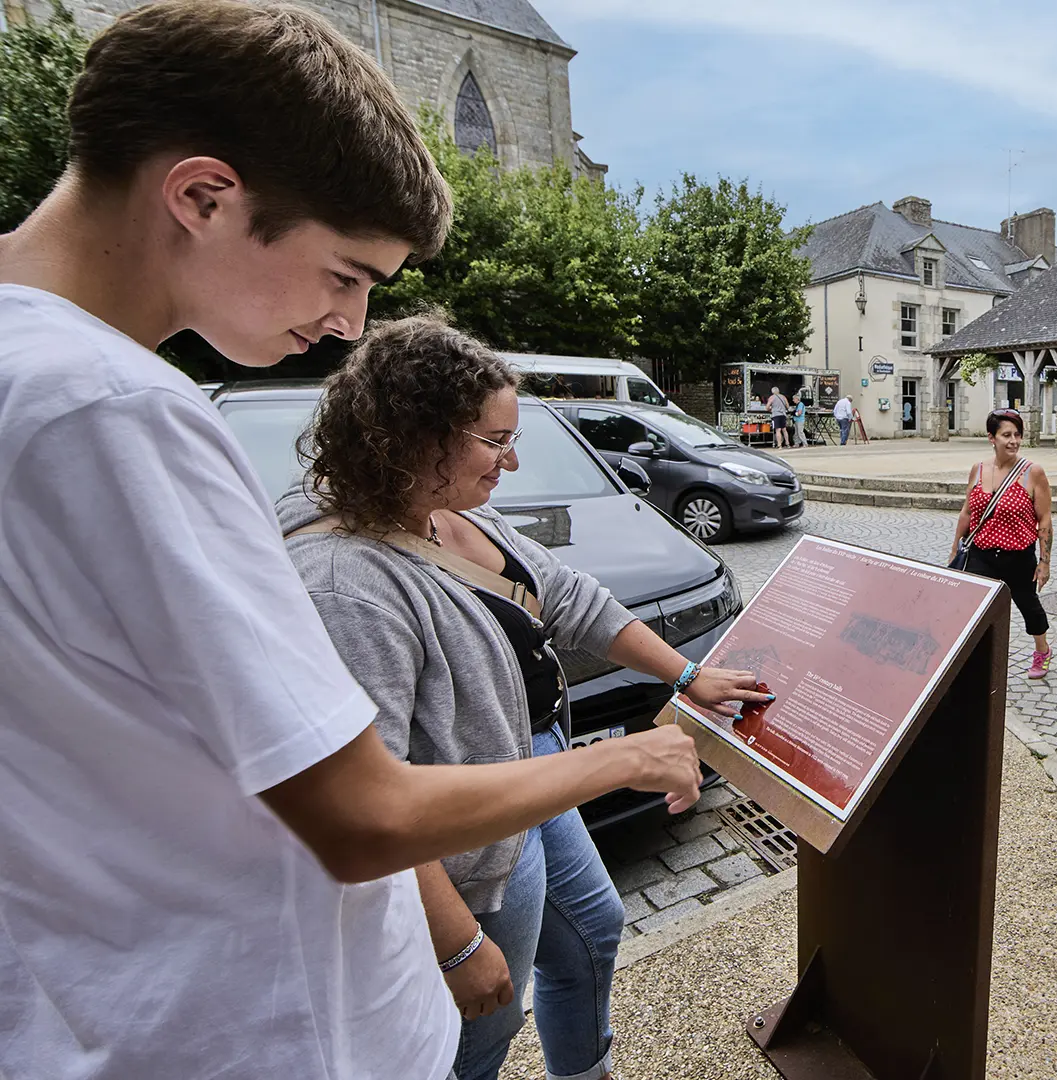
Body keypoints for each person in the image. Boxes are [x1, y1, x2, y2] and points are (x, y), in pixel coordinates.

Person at [0, 5, 764, 1077]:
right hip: (264, 1033)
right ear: (204, 196)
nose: (350, 323)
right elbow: (362, 812)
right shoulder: (115, 407)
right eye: (346, 273)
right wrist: (628, 755)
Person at [282, 318, 766, 1080]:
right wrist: (457, 946)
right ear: (421, 439)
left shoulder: (448, 506)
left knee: (592, 928)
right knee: (484, 1023)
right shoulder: (345, 585)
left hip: (528, 768)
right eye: (495, 441)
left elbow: (569, 597)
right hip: (463, 835)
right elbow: (371, 808)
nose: (511, 460)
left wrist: (686, 676)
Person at [948, 409, 1054, 678]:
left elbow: (1044, 519)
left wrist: (1044, 562)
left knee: (1028, 605)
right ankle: (976, 656)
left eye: (1017, 435)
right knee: (975, 608)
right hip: (981, 554)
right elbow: (967, 512)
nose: (1013, 441)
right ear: (991, 438)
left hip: (1018, 556)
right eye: (1006, 435)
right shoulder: (978, 470)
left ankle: (1042, 650)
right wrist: (955, 548)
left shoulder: (1033, 473)